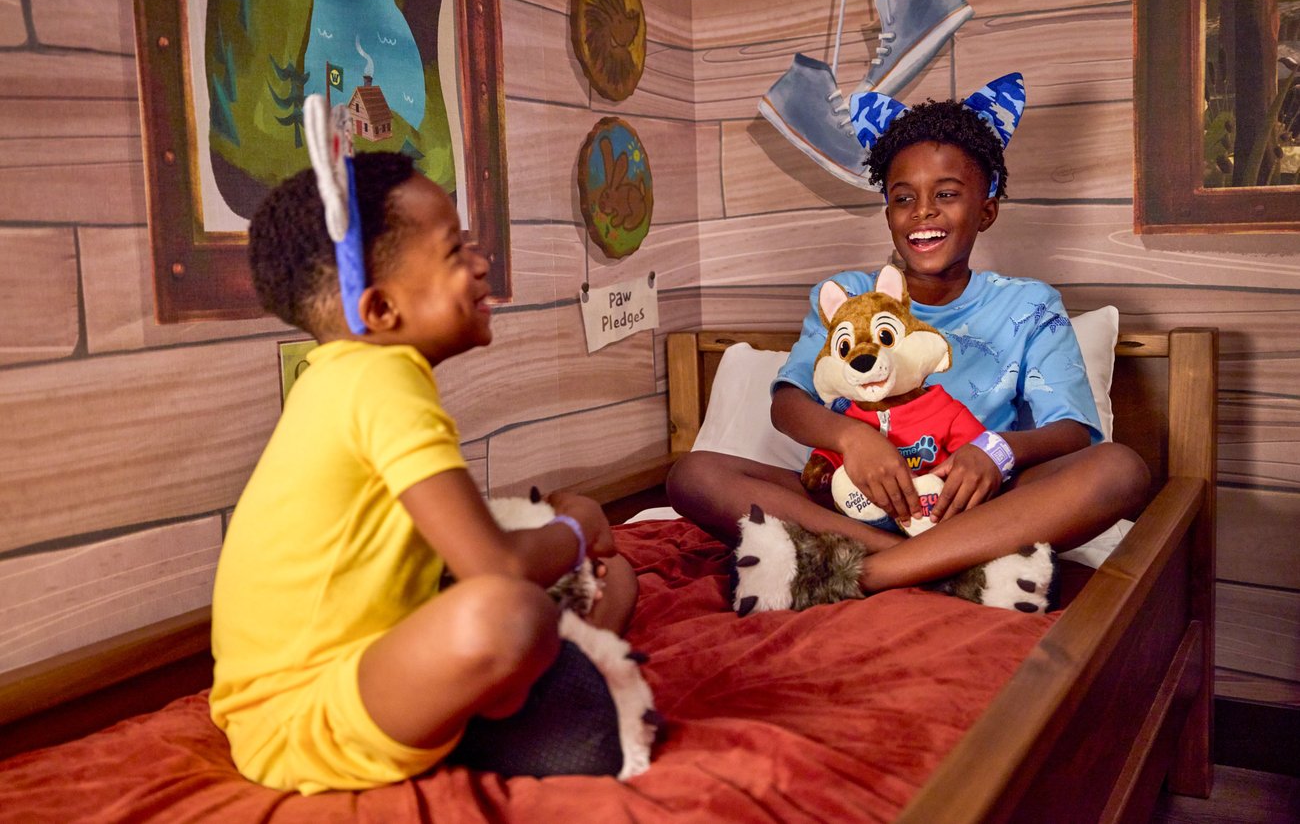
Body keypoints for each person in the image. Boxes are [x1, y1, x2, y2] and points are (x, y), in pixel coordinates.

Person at [209, 151, 637, 794]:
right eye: (455, 250)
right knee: (508, 615)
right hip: (306, 715)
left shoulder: (340, 377)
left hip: (375, 666)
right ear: (380, 310)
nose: (481, 262)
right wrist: (576, 526)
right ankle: (543, 683)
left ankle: (545, 682)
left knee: (618, 580)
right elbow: (497, 572)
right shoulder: (378, 377)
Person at [666, 92, 1150, 595]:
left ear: (986, 211)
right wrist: (855, 441)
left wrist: (997, 451)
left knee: (1120, 470)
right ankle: (927, 562)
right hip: (847, 500)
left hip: (972, 508)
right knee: (694, 474)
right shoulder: (850, 295)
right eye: (903, 198)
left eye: (945, 194)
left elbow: (1071, 432)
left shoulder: (1029, 305)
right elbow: (788, 404)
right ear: (888, 212)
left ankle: (868, 574)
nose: (923, 212)